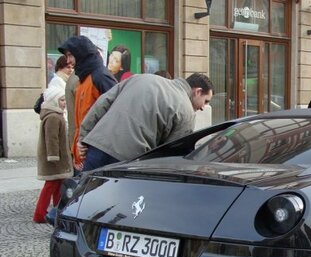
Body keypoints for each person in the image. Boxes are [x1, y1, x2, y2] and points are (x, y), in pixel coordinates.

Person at [77, 73, 214, 171]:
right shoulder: (186, 111)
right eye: (206, 101)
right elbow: (171, 155)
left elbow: (102, 103)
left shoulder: (142, 78)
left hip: (98, 145)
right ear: (198, 91)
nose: (203, 107)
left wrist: (83, 138)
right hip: (127, 161)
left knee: (83, 202)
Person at [58, 35, 117, 172]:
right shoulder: (84, 79)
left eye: (70, 55)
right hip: (87, 150)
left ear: (81, 53)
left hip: (97, 151)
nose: (68, 61)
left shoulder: (100, 76)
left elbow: (116, 112)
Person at [33, 86, 73, 223]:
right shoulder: (53, 117)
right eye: (61, 100)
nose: (64, 103)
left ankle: (57, 210)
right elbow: (52, 139)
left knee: (57, 187)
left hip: (57, 160)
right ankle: (40, 214)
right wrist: (54, 157)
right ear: (54, 101)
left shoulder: (55, 115)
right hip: (55, 160)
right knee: (50, 187)